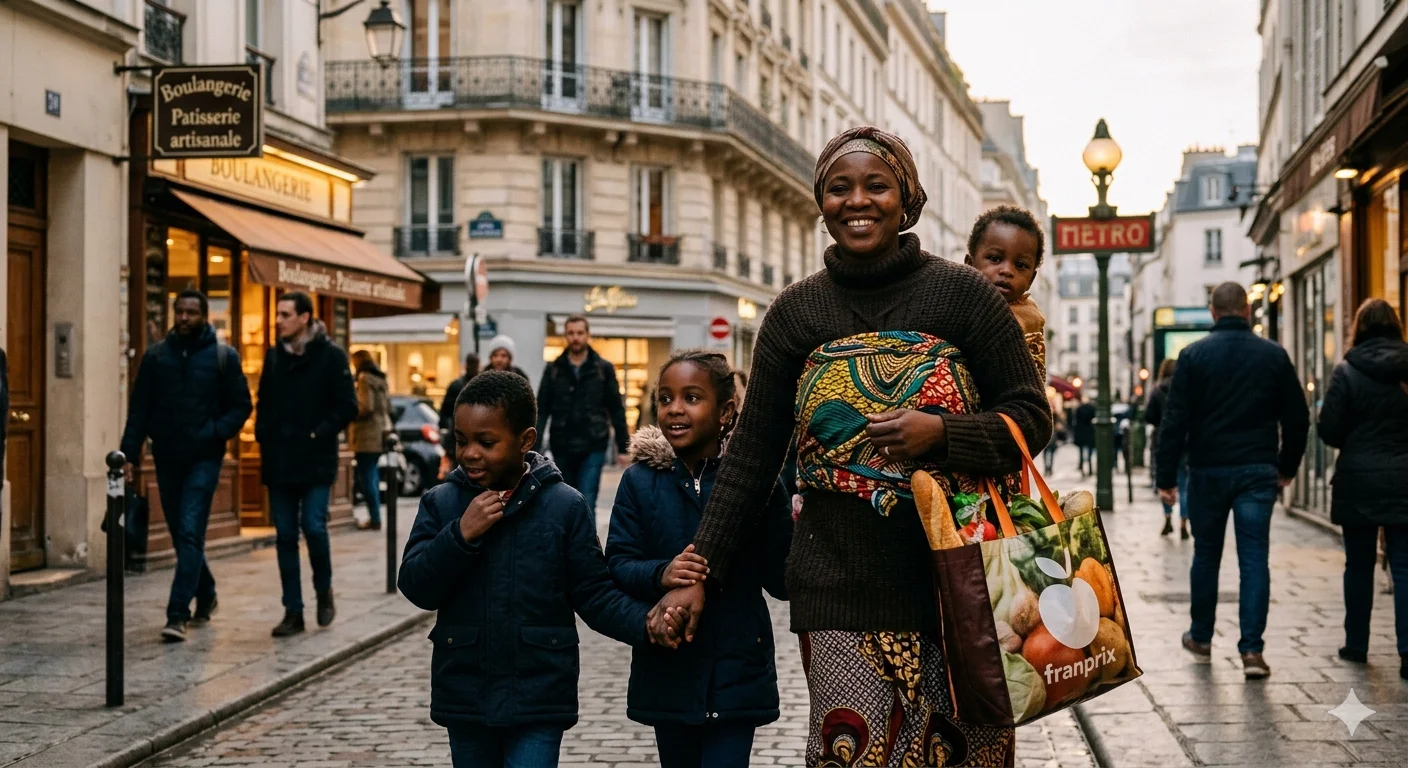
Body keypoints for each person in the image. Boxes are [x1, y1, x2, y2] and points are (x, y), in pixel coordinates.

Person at [648, 127, 1051, 767]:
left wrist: (942, 434)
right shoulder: (795, 314)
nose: (856, 201)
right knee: (851, 754)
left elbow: (1030, 418)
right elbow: (752, 459)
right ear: (821, 202)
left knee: (962, 753)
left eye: (875, 186)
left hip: (961, 581)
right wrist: (698, 571)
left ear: (907, 200)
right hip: (838, 582)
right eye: (840, 188)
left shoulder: (965, 296)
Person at [397, 371, 671, 768]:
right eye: (461, 440)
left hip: (540, 694)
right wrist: (460, 534)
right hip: (466, 694)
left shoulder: (564, 506)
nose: (470, 453)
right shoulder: (442, 503)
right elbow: (417, 585)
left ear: (525, 440)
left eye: (486, 442)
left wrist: (649, 624)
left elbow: (595, 594)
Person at [606, 351, 793, 768]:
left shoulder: (754, 483)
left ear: (726, 411)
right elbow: (619, 563)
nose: (675, 408)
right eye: (666, 397)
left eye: (692, 397)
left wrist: (787, 521)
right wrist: (662, 573)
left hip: (737, 665)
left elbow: (780, 580)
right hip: (670, 669)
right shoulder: (639, 481)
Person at [1156, 282, 1309, 679]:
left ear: (1212, 312)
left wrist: (1166, 477)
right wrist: (1287, 466)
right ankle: (1252, 651)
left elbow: (1174, 422)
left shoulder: (1192, 357)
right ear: (1247, 311)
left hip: (1207, 470)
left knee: (1206, 555)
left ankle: (1202, 638)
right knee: (1254, 558)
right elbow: (1297, 418)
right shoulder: (1273, 356)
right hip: (1258, 469)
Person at [119, 290, 252, 642]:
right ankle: (206, 593)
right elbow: (139, 412)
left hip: (205, 459)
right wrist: (128, 457)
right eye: (180, 311)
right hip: (167, 457)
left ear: (204, 316)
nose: (184, 317)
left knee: (190, 530)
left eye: (192, 312)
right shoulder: (156, 357)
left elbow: (241, 406)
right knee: (181, 533)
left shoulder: (224, 357)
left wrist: (214, 432)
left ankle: (177, 614)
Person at [255, 291, 359, 638]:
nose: (278, 320)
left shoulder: (330, 356)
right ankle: (292, 611)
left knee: (313, 526)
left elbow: (348, 405)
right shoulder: (273, 357)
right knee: (285, 535)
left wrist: (319, 434)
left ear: (304, 317)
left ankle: (324, 590)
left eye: (285, 314)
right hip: (280, 459)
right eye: (278, 314)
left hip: (315, 458)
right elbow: (264, 403)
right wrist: (264, 438)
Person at [1315, 298, 1408, 678]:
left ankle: (1357, 643)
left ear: (1359, 328)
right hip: (1404, 477)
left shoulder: (1347, 371)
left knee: (1358, 564)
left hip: (1359, 480)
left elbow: (1329, 430)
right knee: (1404, 566)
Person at [536, 315, 631, 517]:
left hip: (593, 443)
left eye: (580, 333)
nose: (576, 337)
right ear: (565, 336)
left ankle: (587, 547)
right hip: (562, 442)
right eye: (571, 333)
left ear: (588, 335)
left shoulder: (602, 368)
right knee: (564, 500)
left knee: (587, 499)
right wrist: (533, 445)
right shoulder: (554, 369)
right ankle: (566, 545)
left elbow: (616, 408)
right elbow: (542, 408)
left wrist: (623, 446)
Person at [965, 205, 1047, 376]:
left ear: (1031, 279)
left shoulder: (1026, 318)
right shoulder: (956, 301)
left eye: (1021, 265)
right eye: (995, 259)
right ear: (970, 264)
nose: (1007, 271)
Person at [1145, 358, 1189, 539]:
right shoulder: (1185, 388)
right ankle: (1184, 522)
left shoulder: (1157, 389)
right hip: (1185, 441)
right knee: (1184, 485)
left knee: (1165, 480)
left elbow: (1149, 416)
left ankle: (1168, 517)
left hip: (1162, 440)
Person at [350, 350, 392, 531]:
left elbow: (366, 406)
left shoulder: (365, 378)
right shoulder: (380, 379)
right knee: (371, 474)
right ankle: (375, 516)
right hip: (380, 432)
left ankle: (374, 517)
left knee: (367, 476)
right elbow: (388, 407)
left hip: (366, 435)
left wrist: (350, 412)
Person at [1073, 397, 1096, 476]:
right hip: (1089, 432)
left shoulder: (1079, 409)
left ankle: (1082, 466)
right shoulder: (1092, 409)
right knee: (1089, 451)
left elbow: (1075, 421)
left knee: (1081, 451)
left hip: (1081, 432)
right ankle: (1090, 469)